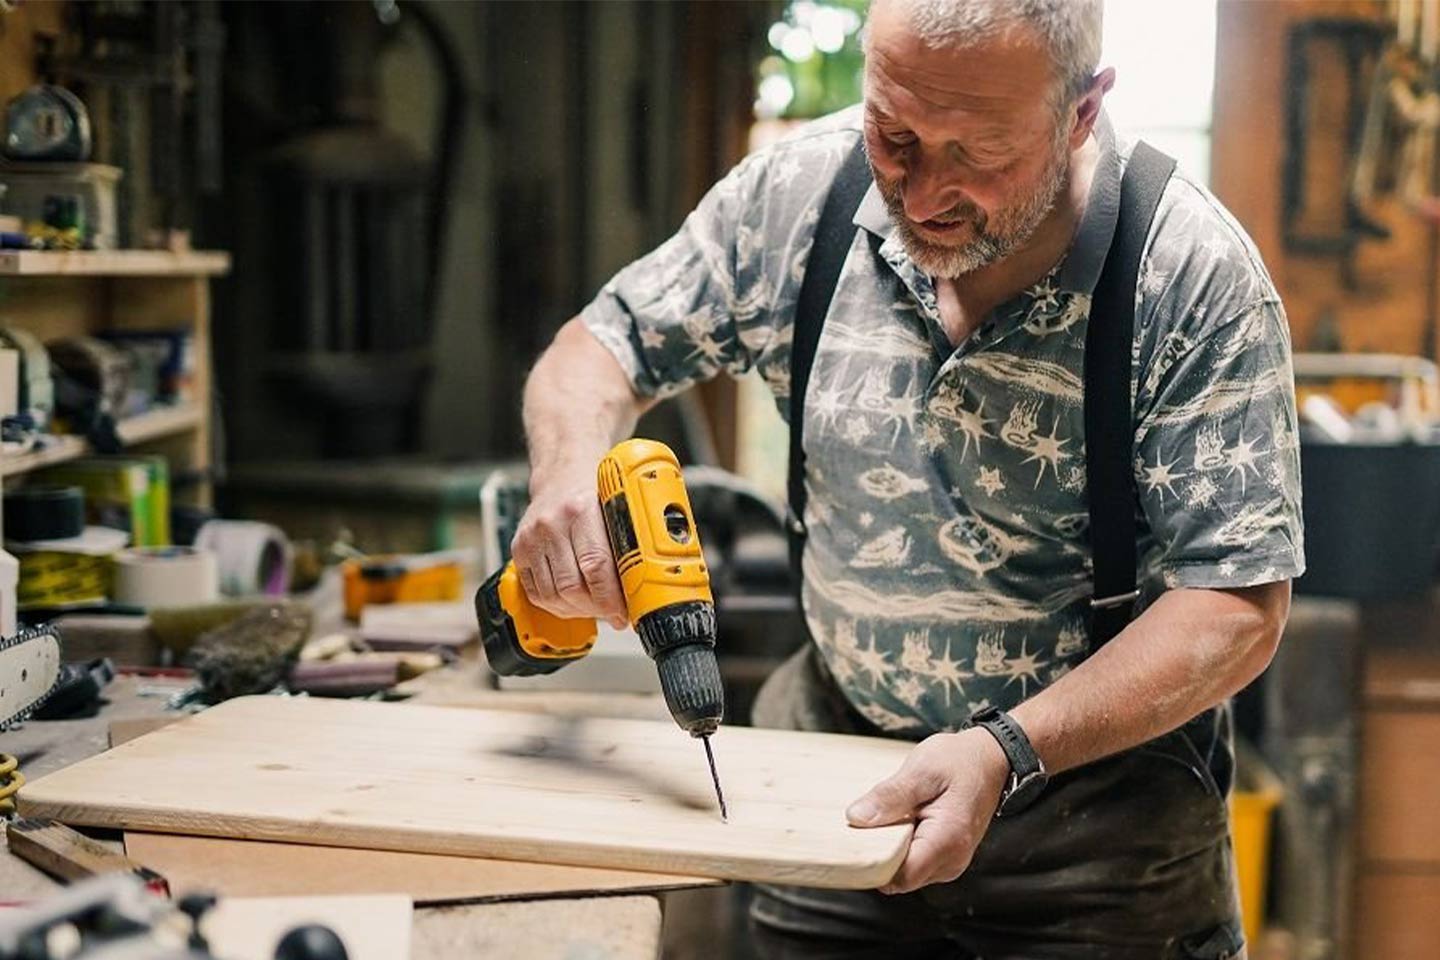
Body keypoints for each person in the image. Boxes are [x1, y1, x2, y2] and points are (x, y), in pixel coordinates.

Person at [510, 1, 1302, 957]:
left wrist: (1004, 750)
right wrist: (565, 477)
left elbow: (1236, 606)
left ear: (1082, 111)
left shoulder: (1189, 274)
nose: (925, 191)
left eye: (979, 154)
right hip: (836, 804)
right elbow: (601, 347)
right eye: (896, 137)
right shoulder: (800, 198)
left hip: (1098, 864)